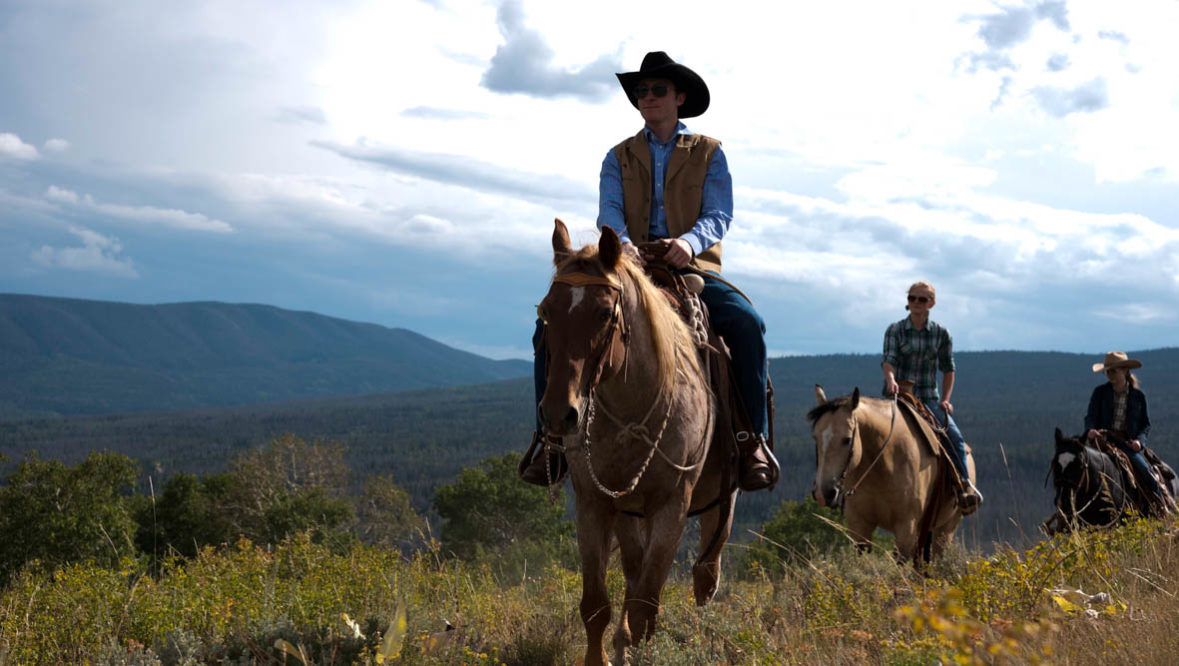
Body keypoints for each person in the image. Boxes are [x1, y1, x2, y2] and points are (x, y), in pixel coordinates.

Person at [520, 51, 779, 493]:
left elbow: (719, 215)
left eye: (658, 90)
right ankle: (551, 439)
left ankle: (748, 437)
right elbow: (610, 212)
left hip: (691, 266)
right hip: (627, 267)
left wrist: (687, 243)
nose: (648, 97)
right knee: (550, 326)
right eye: (642, 91)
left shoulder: (709, 153)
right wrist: (622, 247)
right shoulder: (618, 157)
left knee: (747, 325)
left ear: (679, 97)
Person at [881, 280, 981, 514]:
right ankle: (852, 489)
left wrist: (945, 399)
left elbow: (948, 368)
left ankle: (963, 486)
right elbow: (888, 361)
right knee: (869, 432)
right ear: (907, 302)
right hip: (898, 396)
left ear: (932, 303)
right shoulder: (894, 330)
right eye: (912, 298)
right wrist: (891, 381)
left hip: (927, 398)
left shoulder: (941, 333)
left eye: (922, 299)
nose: (916, 303)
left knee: (954, 438)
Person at [1084, 351, 1172, 514]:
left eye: (1113, 370)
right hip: (1102, 441)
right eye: (1108, 371)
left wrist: (1139, 442)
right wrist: (1090, 430)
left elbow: (1145, 425)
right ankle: (1069, 514)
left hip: (1126, 444)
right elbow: (1090, 417)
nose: (1110, 374)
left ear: (1125, 370)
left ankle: (1161, 507)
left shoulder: (1138, 396)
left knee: (1146, 472)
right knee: (1076, 469)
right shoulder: (1100, 393)